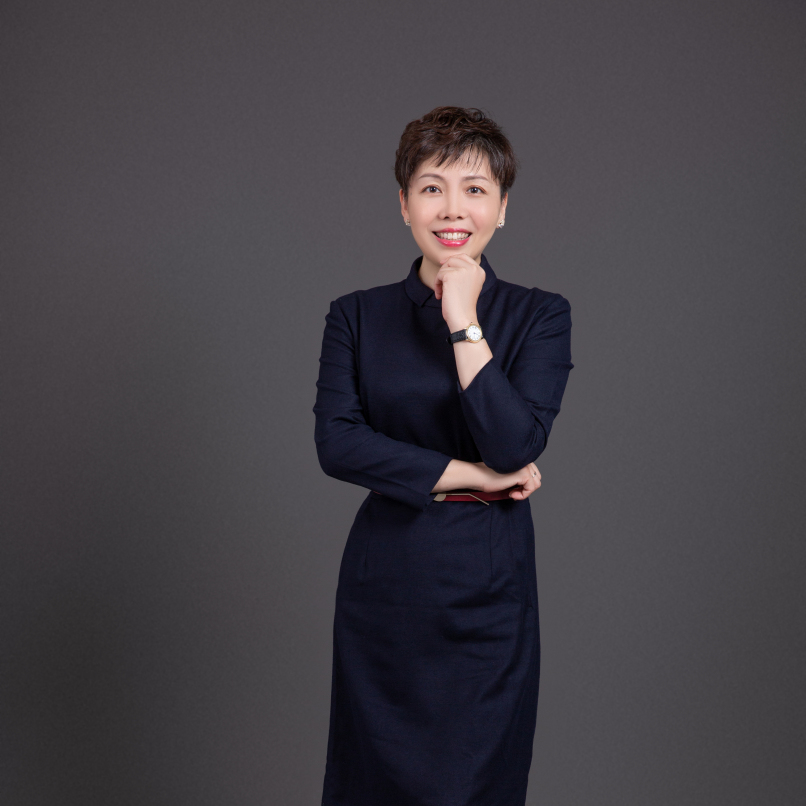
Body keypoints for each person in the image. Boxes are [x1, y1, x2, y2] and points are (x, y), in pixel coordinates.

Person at [313, 106, 574, 806]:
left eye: (475, 189)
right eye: (432, 187)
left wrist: (462, 318)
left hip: (489, 583)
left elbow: (515, 442)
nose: (453, 208)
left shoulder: (540, 315)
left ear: (502, 207)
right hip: (386, 582)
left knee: (476, 782)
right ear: (404, 204)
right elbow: (338, 444)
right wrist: (478, 475)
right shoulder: (355, 316)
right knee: (371, 783)